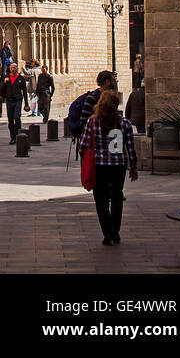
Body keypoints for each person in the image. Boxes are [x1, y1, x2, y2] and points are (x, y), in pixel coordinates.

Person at [77, 89, 138, 245]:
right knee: (117, 196)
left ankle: (107, 232)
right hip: (118, 166)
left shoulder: (92, 121)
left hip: (99, 165)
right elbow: (130, 147)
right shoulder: (125, 123)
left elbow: (83, 146)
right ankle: (115, 230)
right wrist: (133, 167)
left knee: (101, 199)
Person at [0, 62, 29, 142]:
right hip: (9, 100)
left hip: (18, 100)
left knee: (17, 117)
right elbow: (1, 89)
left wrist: (26, 104)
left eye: (14, 67)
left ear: (17, 69)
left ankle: (18, 135)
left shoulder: (21, 79)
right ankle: (13, 137)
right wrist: (4, 83)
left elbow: (24, 92)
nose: (13, 69)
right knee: (10, 120)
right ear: (9, 69)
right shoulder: (6, 78)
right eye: (11, 67)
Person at [78, 70, 117, 135]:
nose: (114, 83)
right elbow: (84, 118)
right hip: (94, 133)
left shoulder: (112, 97)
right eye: (113, 81)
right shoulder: (92, 97)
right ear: (107, 82)